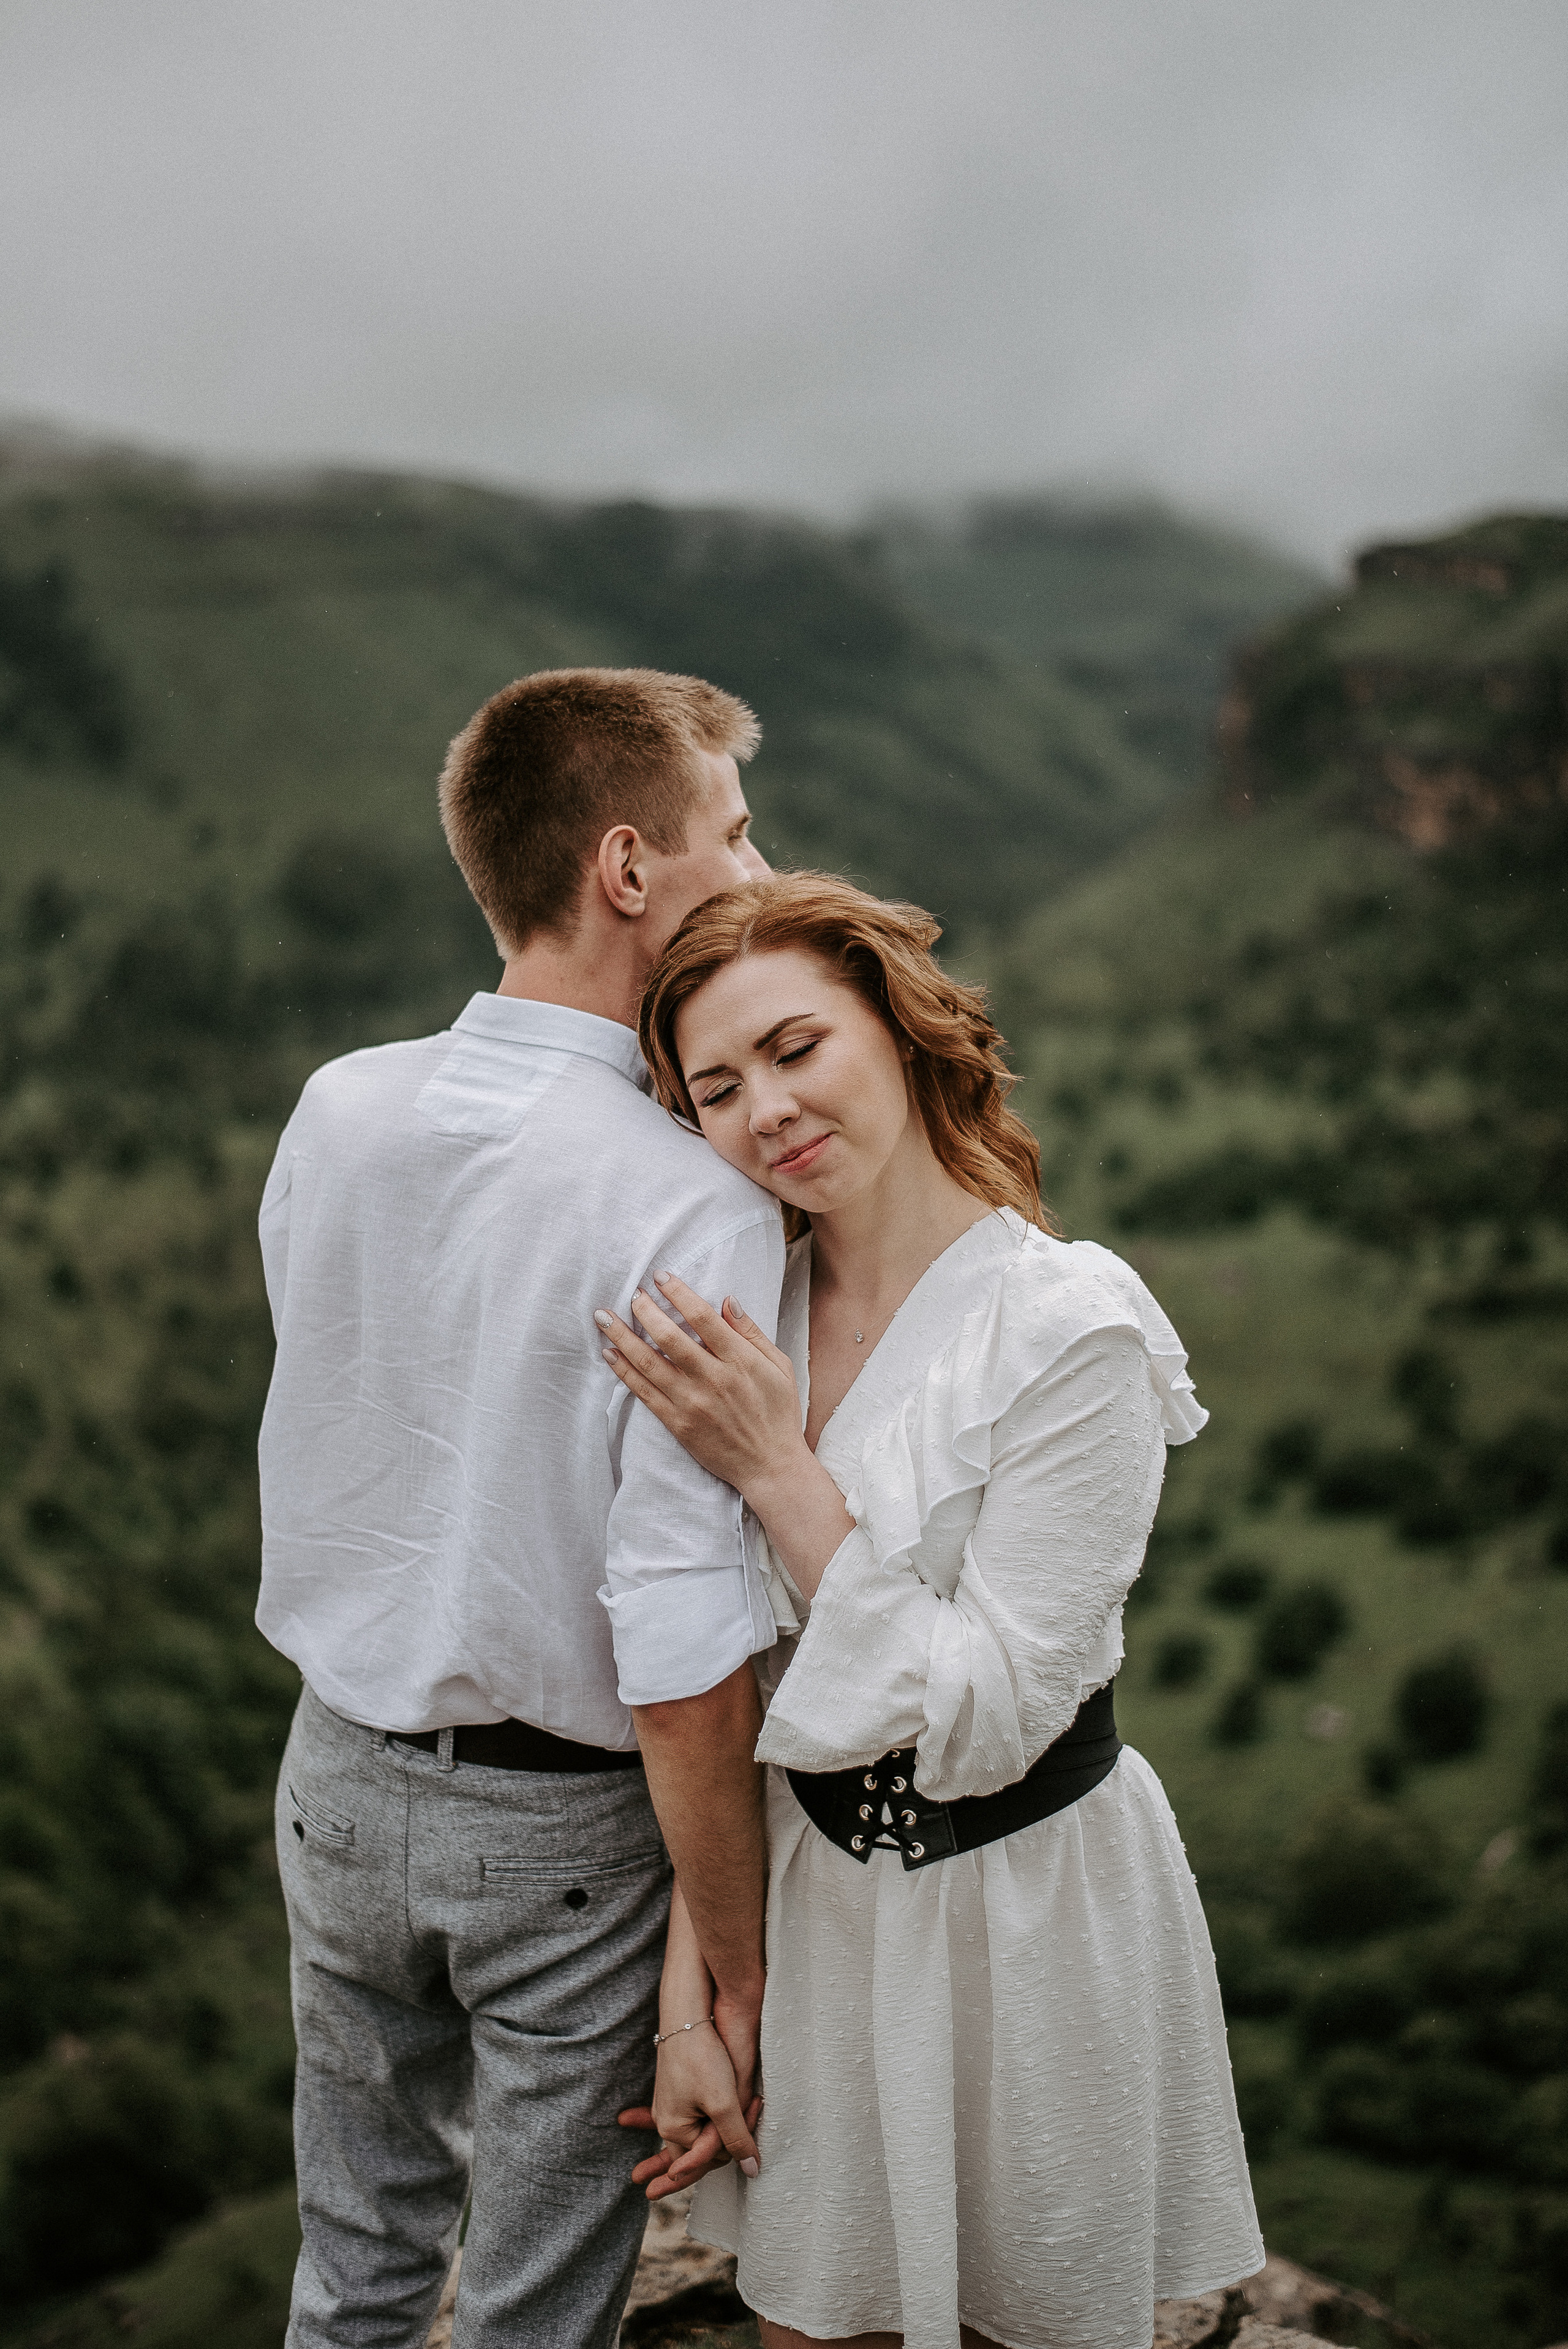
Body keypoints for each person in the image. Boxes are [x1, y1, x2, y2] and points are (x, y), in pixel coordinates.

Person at [594, 872, 1265, 2349]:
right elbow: (721, 1691)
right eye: (713, 1088)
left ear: (896, 1032)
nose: (762, 1109)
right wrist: (690, 2010)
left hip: (1026, 1912)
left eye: (793, 1048)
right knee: (810, 2333)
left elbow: (992, 1711)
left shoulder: (1066, 1326)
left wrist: (779, 1469)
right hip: (819, 1903)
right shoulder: (736, 1320)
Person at [255, 667, 785, 2349]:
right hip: (564, 1830)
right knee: (535, 2319)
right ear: (628, 868)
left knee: (354, 2274)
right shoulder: (691, 1199)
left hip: (334, 1772)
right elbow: (683, 1638)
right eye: (735, 831)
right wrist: (736, 1958)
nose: (762, 873)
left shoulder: (340, 1108)